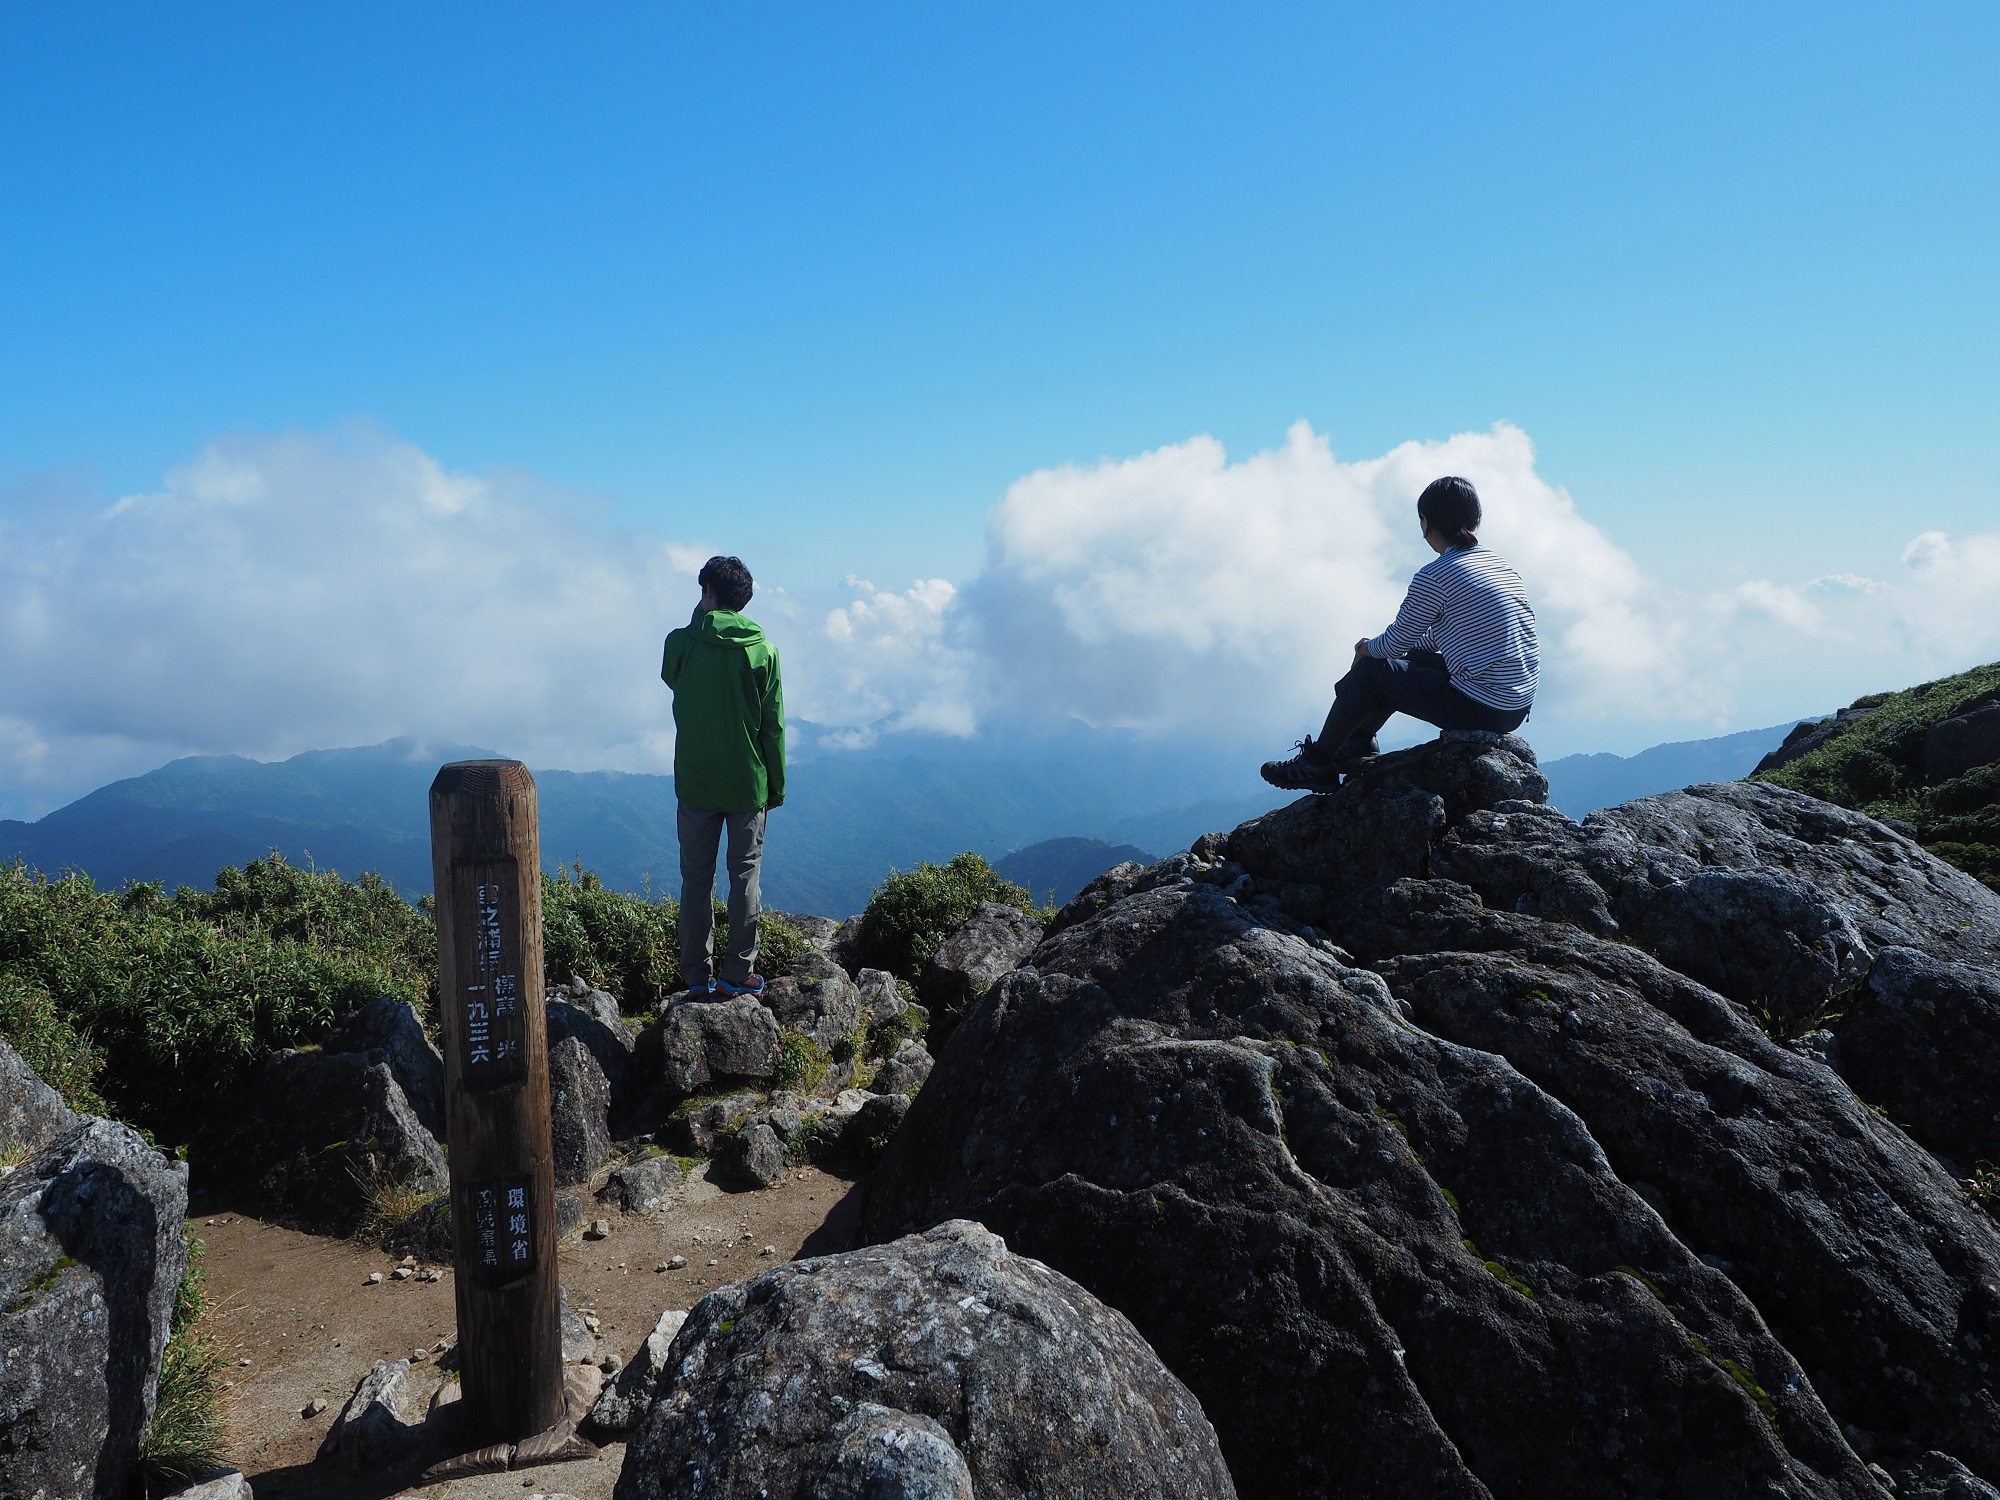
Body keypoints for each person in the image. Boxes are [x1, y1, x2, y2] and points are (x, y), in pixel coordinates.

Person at [1262, 476, 1537, 793]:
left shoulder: (1436, 574)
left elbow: (1396, 642)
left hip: (1481, 705)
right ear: (1475, 520)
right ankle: (1356, 744)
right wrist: (1393, 652)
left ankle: (1319, 761)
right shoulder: (1499, 565)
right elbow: (1442, 637)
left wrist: (1366, 648)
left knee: (1371, 670)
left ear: (1426, 523)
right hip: (1513, 704)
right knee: (1393, 661)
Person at [661, 555, 786, 996]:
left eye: (702, 590)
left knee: (696, 878)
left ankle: (695, 975)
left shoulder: (681, 644)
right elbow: (772, 725)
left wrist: (701, 619)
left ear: (709, 593)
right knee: (744, 876)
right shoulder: (763, 651)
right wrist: (776, 785)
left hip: (696, 781)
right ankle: (738, 974)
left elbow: (670, 677)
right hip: (746, 782)